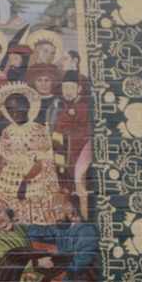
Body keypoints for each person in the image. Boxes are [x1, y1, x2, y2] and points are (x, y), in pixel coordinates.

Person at [24, 195, 101, 282]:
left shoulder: (86, 231)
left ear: (69, 208)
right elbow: (42, 232)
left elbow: (78, 264)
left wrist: (53, 263)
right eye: (55, 213)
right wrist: (19, 226)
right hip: (71, 278)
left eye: (59, 212)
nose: (56, 217)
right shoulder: (61, 229)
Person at [0, 83, 61, 224]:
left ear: (28, 108)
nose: (14, 114)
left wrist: (24, 182)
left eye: (18, 109)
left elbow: (43, 161)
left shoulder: (39, 130)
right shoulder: (7, 131)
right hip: (9, 178)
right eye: (10, 110)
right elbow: (2, 160)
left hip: (32, 178)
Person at [51, 71, 92, 204]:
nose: (68, 92)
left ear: (79, 89)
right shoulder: (62, 107)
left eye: (72, 88)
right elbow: (57, 129)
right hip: (62, 154)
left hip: (79, 154)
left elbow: (86, 132)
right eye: (65, 88)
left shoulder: (84, 108)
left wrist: (65, 135)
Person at [27, 63, 62, 129]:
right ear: (34, 82)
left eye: (47, 80)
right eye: (39, 80)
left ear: (53, 82)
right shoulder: (29, 101)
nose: (43, 84)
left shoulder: (57, 103)